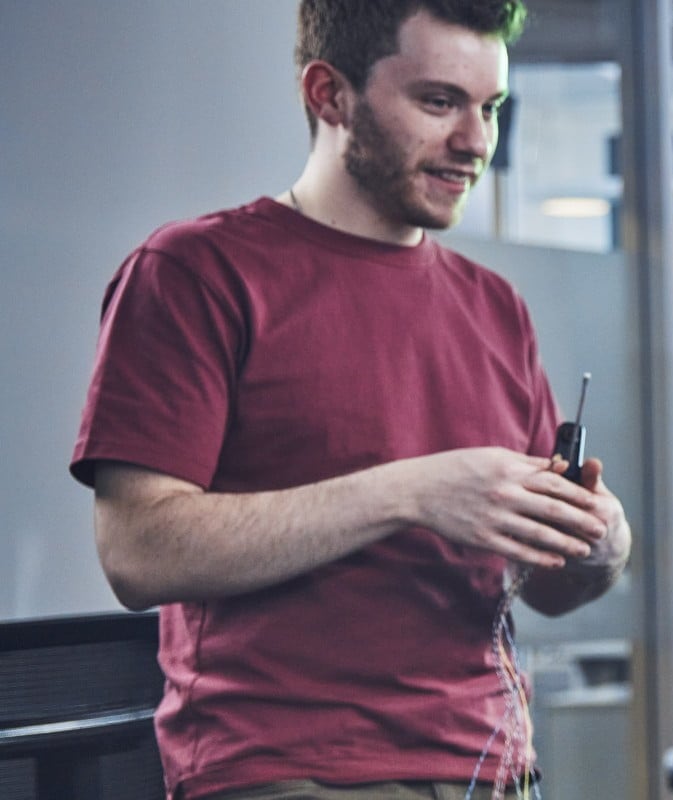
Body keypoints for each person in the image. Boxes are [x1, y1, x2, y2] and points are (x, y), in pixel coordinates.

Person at [69, 2, 631, 798]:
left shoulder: (495, 307)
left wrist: (600, 547)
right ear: (330, 95)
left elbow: (540, 582)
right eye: (439, 102)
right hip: (295, 772)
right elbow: (138, 551)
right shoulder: (195, 272)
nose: (477, 141)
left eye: (491, 107)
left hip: (497, 772)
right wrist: (412, 491)